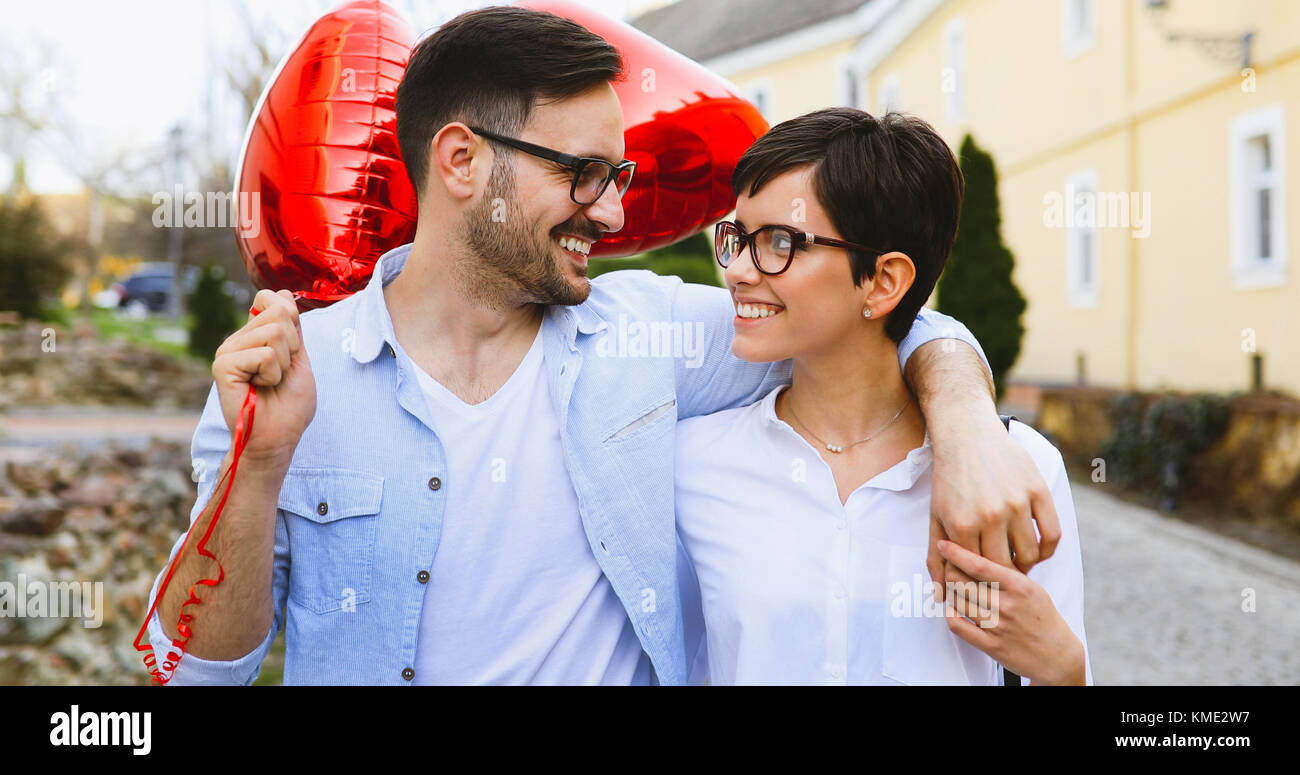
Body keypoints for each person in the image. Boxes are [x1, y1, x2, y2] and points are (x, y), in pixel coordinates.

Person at [147, 7, 1060, 685]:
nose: (616, 212)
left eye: (617, 175)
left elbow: (873, 317)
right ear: (462, 162)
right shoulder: (288, 379)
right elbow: (185, 667)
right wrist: (257, 469)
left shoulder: (653, 337)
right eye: (584, 174)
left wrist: (970, 422)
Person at [674, 108, 1091, 685]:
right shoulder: (692, 465)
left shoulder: (1015, 469)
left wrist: (1066, 671)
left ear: (884, 281)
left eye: (778, 242)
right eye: (737, 237)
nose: (739, 271)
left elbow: (1059, 667)